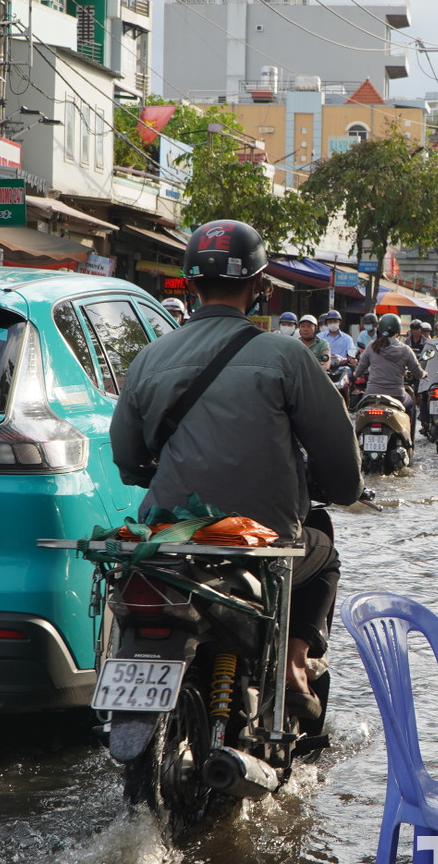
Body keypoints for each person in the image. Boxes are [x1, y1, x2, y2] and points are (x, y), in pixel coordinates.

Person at [109, 219, 362, 723]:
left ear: (191, 284)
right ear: (261, 286)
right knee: (325, 554)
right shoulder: (286, 355)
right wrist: (342, 489)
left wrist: (153, 474)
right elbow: (338, 458)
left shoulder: (149, 358)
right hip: (261, 538)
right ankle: (292, 667)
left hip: (171, 536)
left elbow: (128, 459)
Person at [355, 313, 426, 438]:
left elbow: (358, 372)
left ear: (379, 330)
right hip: (397, 395)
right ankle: (409, 440)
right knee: (410, 404)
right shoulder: (405, 349)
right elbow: (418, 373)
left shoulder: (371, 346)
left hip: (372, 395)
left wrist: (356, 373)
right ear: (398, 331)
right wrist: (424, 373)